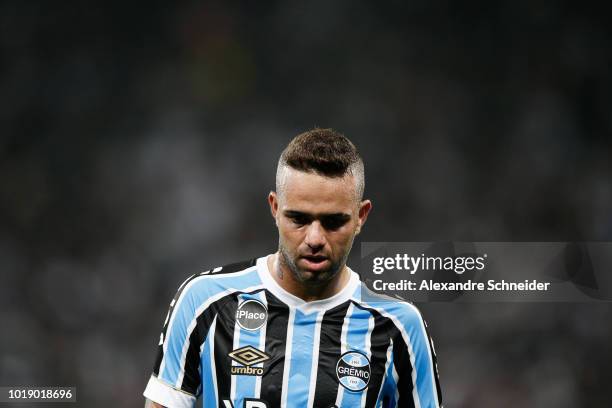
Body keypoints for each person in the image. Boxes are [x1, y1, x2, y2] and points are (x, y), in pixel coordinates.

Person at [143, 128, 443, 408]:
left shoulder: (400, 326)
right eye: (298, 219)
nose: (314, 239)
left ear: (361, 216)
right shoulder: (204, 302)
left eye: (333, 221)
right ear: (275, 208)